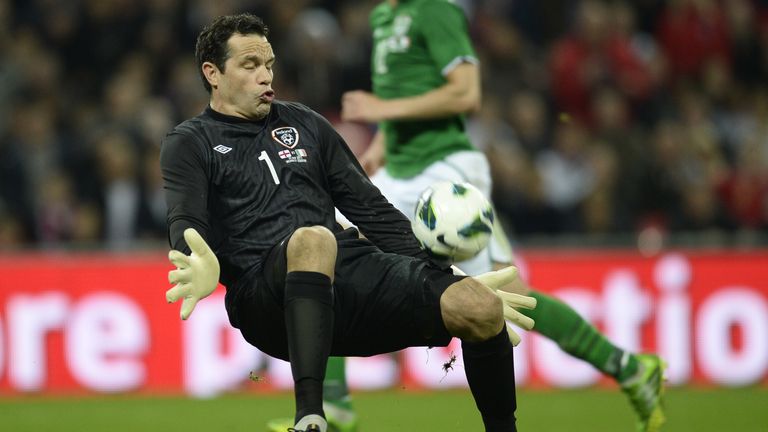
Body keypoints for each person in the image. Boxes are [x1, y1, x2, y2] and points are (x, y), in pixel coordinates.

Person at [270, 1, 667, 432]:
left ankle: (628, 367)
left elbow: (465, 93)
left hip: (447, 170)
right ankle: (336, 404)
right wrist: (374, 154)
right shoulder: (384, 18)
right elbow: (400, 102)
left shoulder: (435, 11)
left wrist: (383, 110)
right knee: (334, 248)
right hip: (401, 174)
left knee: (506, 293)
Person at [161, 13, 535, 432]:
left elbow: (370, 209)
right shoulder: (190, 142)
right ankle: (310, 416)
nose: (265, 75)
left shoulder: (306, 124)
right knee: (314, 239)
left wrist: (450, 277)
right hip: (266, 299)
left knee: (480, 307)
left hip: (350, 275)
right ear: (212, 73)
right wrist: (198, 259)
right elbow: (186, 219)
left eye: (268, 64)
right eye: (250, 66)